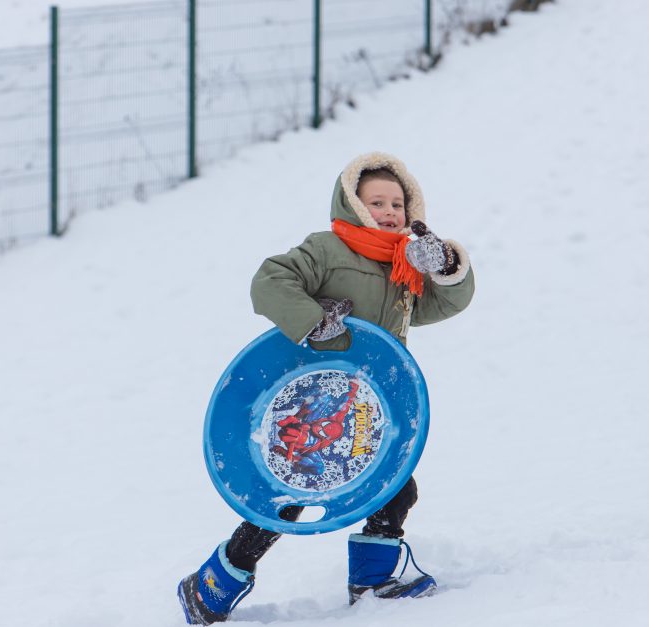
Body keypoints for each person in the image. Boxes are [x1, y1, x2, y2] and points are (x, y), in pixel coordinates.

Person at [177, 152, 475, 624]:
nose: (389, 211)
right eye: (376, 201)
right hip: (310, 406)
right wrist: (315, 323)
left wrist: (445, 263)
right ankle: (213, 584)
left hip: (365, 406)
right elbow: (269, 281)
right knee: (288, 501)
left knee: (396, 489)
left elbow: (440, 305)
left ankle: (372, 582)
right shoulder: (327, 249)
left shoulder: (402, 264)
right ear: (352, 205)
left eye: (398, 203)